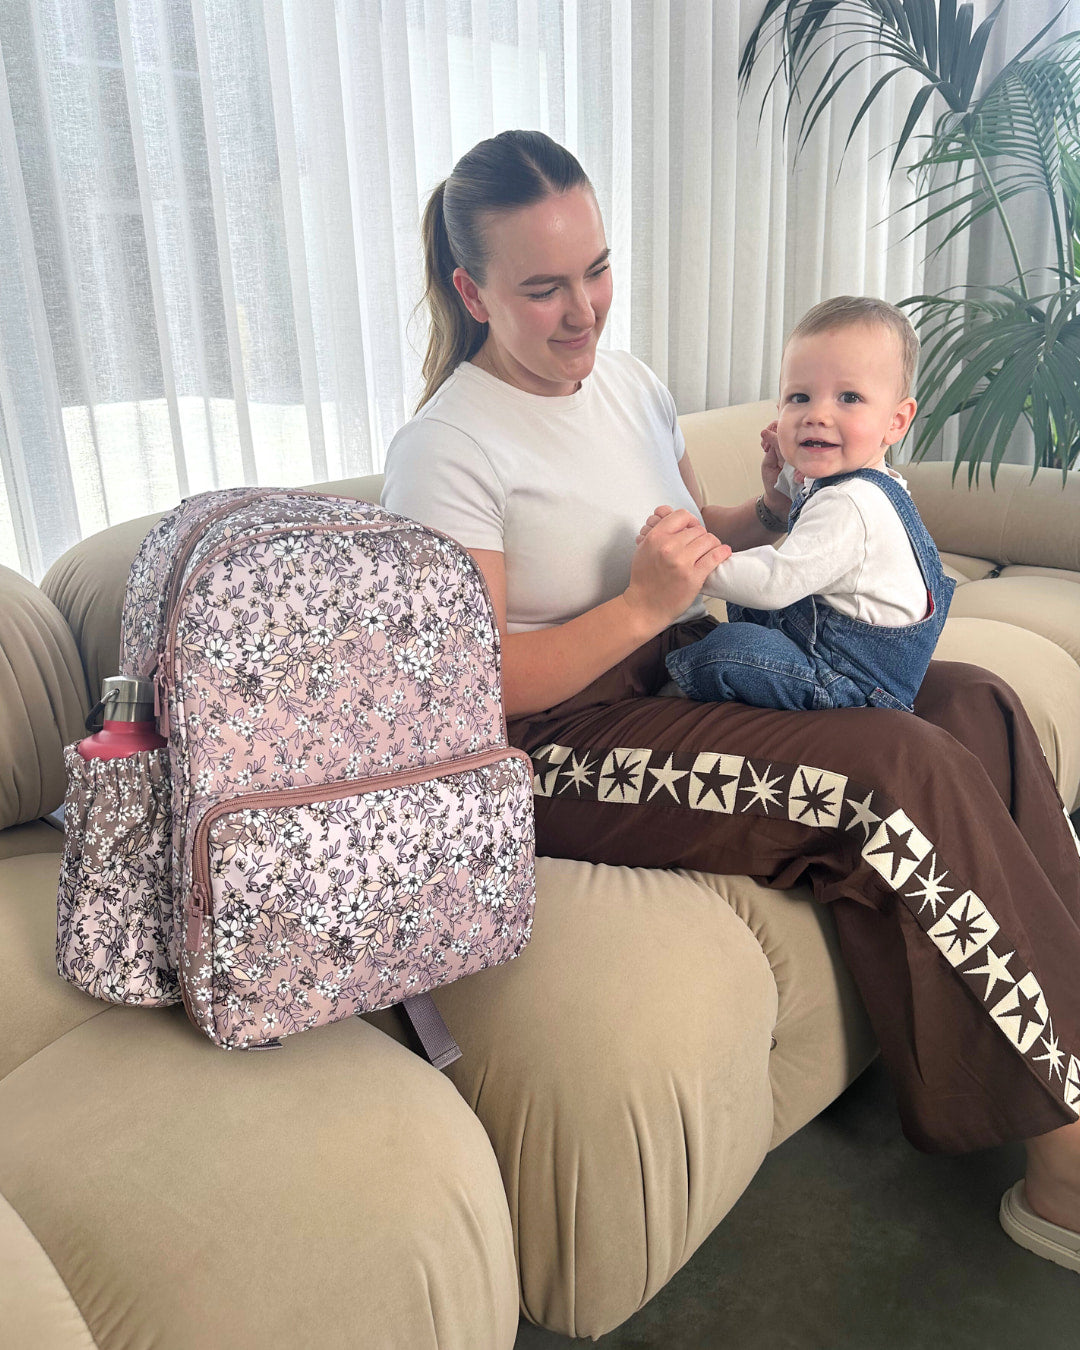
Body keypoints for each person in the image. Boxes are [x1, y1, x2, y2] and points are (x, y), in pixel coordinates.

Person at [381, 128, 1080, 1270]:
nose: (583, 312)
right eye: (544, 288)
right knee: (893, 770)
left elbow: (698, 540)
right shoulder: (445, 449)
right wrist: (640, 609)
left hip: (687, 659)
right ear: (472, 292)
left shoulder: (630, 384)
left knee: (973, 707)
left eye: (598, 269)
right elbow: (472, 684)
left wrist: (771, 510)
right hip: (556, 742)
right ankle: (1067, 1169)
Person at [654, 297, 955, 713]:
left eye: (849, 397)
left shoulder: (850, 504)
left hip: (849, 683)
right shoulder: (863, 483)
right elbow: (810, 511)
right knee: (750, 602)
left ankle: (670, 694)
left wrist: (690, 570)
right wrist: (783, 482)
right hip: (836, 654)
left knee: (727, 647)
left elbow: (777, 580)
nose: (818, 415)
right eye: (800, 397)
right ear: (779, 407)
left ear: (896, 421)